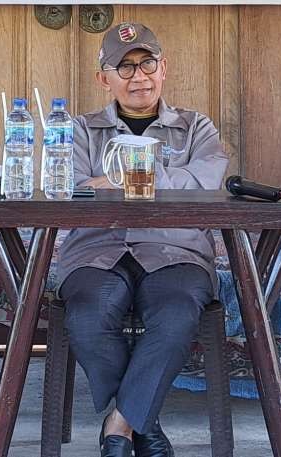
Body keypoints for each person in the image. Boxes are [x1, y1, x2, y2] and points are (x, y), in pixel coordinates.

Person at [57, 22, 229, 457]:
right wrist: (163, 180)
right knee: (88, 316)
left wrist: (115, 180)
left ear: (163, 68)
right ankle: (144, 425)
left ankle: (119, 427)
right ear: (104, 79)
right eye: (125, 67)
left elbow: (205, 184)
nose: (139, 77)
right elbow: (71, 187)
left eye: (147, 63)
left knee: (175, 313)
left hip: (175, 249)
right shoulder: (80, 129)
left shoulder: (195, 128)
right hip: (97, 249)